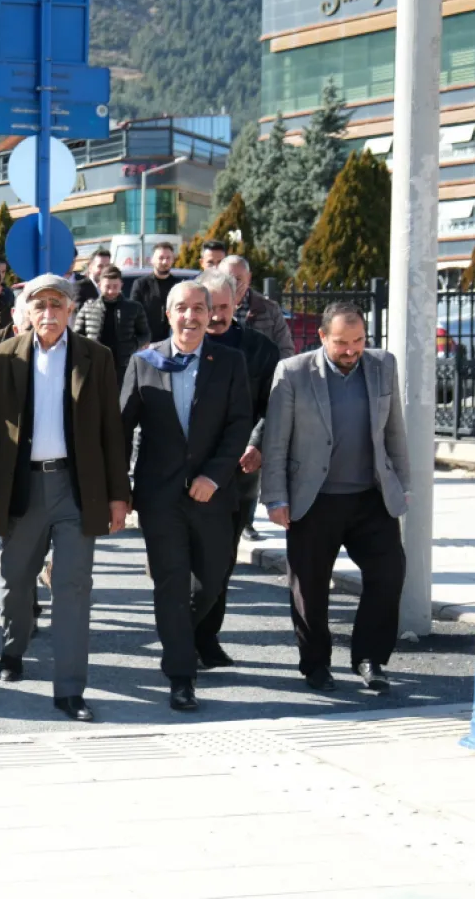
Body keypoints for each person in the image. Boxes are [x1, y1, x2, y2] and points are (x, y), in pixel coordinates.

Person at [0, 275, 130, 722]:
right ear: (26, 312)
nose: (48, 314)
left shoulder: (96, 358)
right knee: (15, 581)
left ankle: (70, 690)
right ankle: (13, 646)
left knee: (73, 588)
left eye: (57, 305)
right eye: (39, 306)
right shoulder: (3, 357)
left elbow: (110, 433)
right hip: (22, 488)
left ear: (71, 310)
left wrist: (119, 495)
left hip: (76, 489)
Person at [261, 302, 409, 694]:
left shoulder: (382, 365)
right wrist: (275, 497)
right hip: (314, 499)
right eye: (342, 342)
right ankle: (315, 664)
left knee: (389, 575)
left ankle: (369, 658)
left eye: (358, 340)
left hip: (370, 498)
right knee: (309, 588)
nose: (351, 350)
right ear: (323, 336)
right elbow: (276, 440)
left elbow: (394, 431)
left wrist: (403, 484)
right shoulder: (293, 372)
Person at [120, 280, 253, 712]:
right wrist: (118, 493)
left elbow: (239, 425)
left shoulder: (229, 361)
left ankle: (176, 635)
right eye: (182, 308)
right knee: (171, 585)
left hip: (212, 496)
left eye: (200, 308)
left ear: (210, 312)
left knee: (212, 581)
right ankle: (181, 674)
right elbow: (120, 429)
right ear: (169, 313)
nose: (191, 317)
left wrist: (214, 476)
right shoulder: (144, 362)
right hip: (159, 498)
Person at [195, 269, 280, 668]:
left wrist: (257, 442)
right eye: (208, 307)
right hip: (186, 472)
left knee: (221, 560)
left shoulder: (259, 350)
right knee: (182, 560)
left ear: (237, 304)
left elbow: (272, 405)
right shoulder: (179, 349)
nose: (215, 316)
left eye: (224, 308)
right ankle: (183, 636)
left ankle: (206, 636)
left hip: (239, 473)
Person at [72, 266, 151, 385]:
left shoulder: (134, 308)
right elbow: (76, 335)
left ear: (121, 285)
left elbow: (146, 334)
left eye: (115, 287)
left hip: (124, 365)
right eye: (107, 287)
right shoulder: (88, 307)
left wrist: (133, 345)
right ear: (99, 285)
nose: (111, 291)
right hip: (95, 364)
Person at [217, 253, 295, 360]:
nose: (234, 284)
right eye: (228, 279)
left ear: (248, 278)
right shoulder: (212, 309)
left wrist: (270, 374)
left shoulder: (269, 308)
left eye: (238, 279)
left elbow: (286, 350)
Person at [128, 241, 182, 342]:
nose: (165, 262)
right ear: (152, 260)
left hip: (173, 341)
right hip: (147, 342)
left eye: (168, 258)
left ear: (172, 260)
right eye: (161, 258)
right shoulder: (141, 284)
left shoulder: (179, 285)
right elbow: (133, 315)